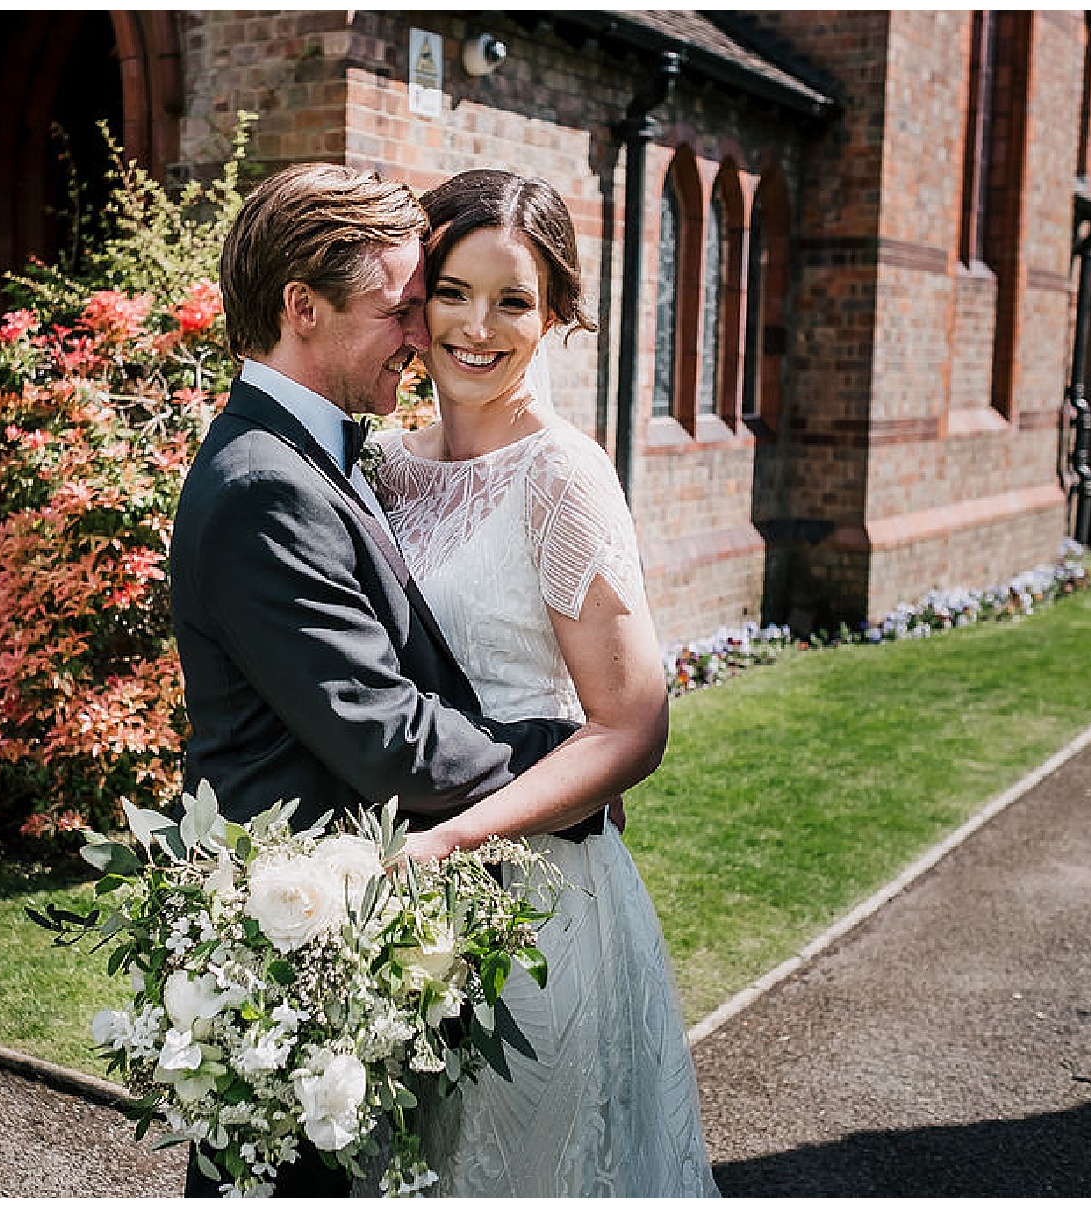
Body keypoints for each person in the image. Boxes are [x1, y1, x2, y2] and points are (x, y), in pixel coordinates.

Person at [169, 162, 605, 1197]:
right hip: (299, 961)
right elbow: (384, 733)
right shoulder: (265, 485)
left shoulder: (313, 454)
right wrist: (564, 757)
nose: (421, 334)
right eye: (399, 308)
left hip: (347, 949)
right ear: (303, 309)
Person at [366, 168, 719, 1196]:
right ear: (416, 299)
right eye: (454, 292)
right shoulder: (382, 465)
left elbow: (631, 726)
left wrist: (456, 837)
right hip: (397, 897)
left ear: (557, 313)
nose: (478, 326)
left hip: (536, 903)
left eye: (513, 299)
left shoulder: (564, 475)